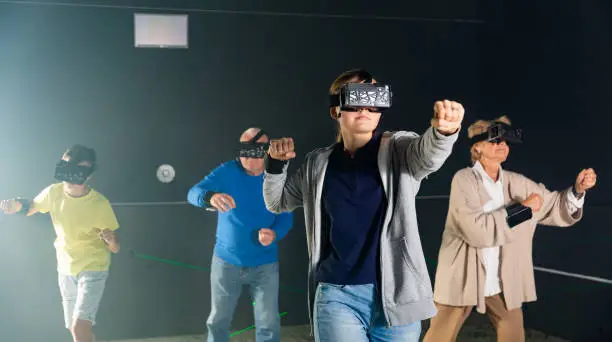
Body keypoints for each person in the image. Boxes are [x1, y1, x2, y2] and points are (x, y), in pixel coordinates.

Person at [262, 68, 464, 342]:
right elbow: (277, 202)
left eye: (374, 98)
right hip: (337, 296)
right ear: (336, 111)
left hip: (396, 296)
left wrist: (444, 132)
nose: (365, 108)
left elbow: (427, 156)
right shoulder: (317, 164)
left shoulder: (398, 148)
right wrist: (275, 166)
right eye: (355, 98)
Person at [423, 116, 597, 342]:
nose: (502, 146)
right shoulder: (463, 180)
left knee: (513, 334)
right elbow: (476, 231)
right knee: (440, 336)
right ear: (478, 147)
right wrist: (522, 210)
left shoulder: (517, 182)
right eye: (495, 141)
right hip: (464, 275)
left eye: (505, 142)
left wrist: (577, 190)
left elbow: (552, 205)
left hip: (502, 277)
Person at [0, 144, 120, 342]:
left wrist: (111, 240)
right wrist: (16, 206)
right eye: (67, 168)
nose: (71, 177)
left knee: (79, 328)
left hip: (93, 268)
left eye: (78, 170)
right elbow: (31, 208)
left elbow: (115, 249)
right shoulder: (54, 193)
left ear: (88, 174)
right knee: (75, 328)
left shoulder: (100, 204)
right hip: (65, 267)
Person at [187, 127, 294, 342]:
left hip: (265, 264)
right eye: (244, 151)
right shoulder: (227, 171)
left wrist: (274, 234)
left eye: (254, 152)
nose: (248, 159)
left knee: (268, 323)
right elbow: (193, 192)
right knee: (218, 321)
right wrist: (209, 197)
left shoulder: (277, 176)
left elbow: (286, 217)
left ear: (266, 152)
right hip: (226, 262)